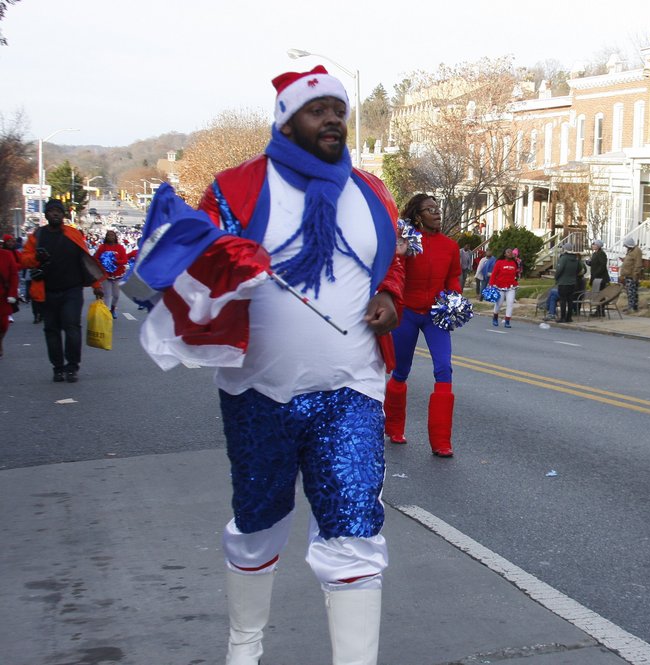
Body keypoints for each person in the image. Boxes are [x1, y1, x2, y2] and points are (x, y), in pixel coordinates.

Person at [136, 65, 404, 665]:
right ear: (286, 119)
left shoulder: (370, 191)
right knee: (257, 526)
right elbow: (200, 259)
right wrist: (232, 263)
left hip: (351, 390)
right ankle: (244, 646)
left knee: (356, 532)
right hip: (259, 389)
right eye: (318, 109)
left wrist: (389, 294)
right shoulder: (236, 188)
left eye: (339, 108)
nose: (333, 118)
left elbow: (391, 261)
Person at [383, 193, 461, 457]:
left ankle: (441, 441)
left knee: (444, 369)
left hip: (434, 316)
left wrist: (454, 299)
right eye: (430, 209)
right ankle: (394, 426)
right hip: (406, 313)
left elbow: (453, 278)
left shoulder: (450, 246)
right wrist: (400, 250)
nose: (437, 213)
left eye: (437, 209)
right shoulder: (407, 243)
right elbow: (395, 270)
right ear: (418, 216)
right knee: (402, 370)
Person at [20, 199, 105, 383]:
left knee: (72, 326)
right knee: (52, 330)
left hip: (71, 290)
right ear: (46, 215)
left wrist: (97, 285)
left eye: (59, 211)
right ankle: (57, 367)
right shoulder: (38, 235)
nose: (55, 214)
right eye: (51, 211)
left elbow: (85, 260)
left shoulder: (73, 234)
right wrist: (36, 257)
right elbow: (24, 260)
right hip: (47, 290)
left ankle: (72, 366)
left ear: (64, 214)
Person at [93, 230, 129, 318]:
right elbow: (95, 258)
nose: (110, 237)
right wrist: (103, 262)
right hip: (106, 275)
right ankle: (107, 312)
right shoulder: (102, 247)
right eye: (108, 235)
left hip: (117, 275)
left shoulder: (120, 247)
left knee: (116, 295)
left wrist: (115, 262)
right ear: (106, 237)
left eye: (112, 235)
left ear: (115, 237)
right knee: (107, 295)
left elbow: (125, 260)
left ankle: (113, 309)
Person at [489, 247, 519, 328]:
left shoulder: (514, 263)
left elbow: (516, 274)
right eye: (508, 252)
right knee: (499, 303)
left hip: (511, 286)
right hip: (500, 286)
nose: (510, 253)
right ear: (505, 254)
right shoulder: (499, 262)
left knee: (510, 303)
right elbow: (494, 274)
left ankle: (507, 321)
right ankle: (495, 317)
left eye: (511, 252)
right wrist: (491, 285)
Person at [554, 242, 583, 323]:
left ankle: (562, 317)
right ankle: (569, 317)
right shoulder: (576, 258)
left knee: (563, 300)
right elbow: (579, 269)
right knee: (570, 300)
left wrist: (556, 278)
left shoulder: (563, 258)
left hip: (563, 282)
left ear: (565, 249)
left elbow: (559, 270)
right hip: (572, 282)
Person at [0, 238, 17, 356]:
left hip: (3, 296)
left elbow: (13, 275)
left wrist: (12, 293)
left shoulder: (6, 255)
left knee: (3, 324)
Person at [619, 236, 642, 312]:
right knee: (629, 292)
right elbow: (630, 260)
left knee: (632, 292)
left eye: (626, 245)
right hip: (627, 275)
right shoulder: (630, 250)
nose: (626, 247)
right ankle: (630, 306)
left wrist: (635, 274)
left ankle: (633, 308)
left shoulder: (636, 251)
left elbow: (638, 263)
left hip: (632, 275)